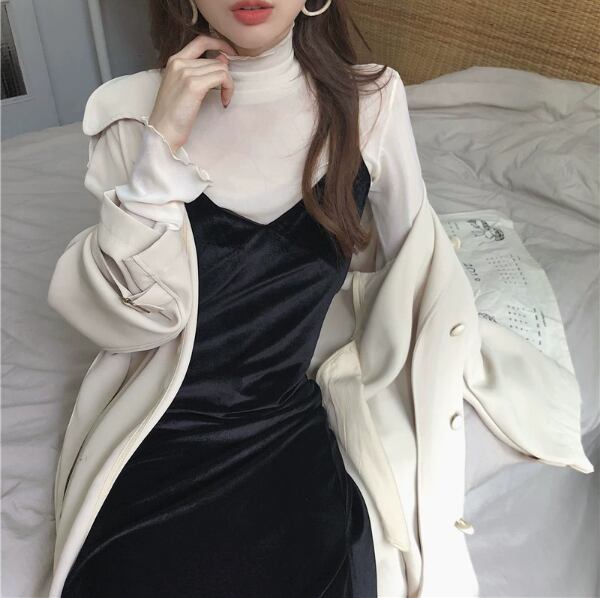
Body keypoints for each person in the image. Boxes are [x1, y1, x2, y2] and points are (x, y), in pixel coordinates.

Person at [57, 0, 425, 596]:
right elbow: (124, 320)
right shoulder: (126, 111)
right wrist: (159, 154)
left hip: (284, 427)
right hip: (157, 431)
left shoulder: (372, 102)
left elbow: (413, 271)